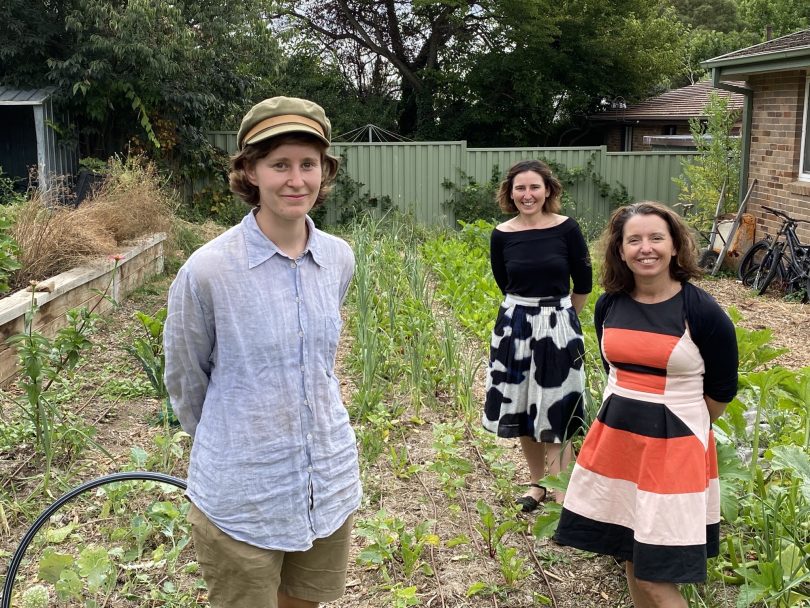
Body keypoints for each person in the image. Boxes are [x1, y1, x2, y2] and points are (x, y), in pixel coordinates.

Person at [164, 96, 360, 608]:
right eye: (279, 165)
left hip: (328, 481)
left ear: (324, 171)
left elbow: (319, 365)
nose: (296, 180)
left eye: (308, 164)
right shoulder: (208, 271)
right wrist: (235, 438)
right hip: (243, 494)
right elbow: (186, 379)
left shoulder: (338, 257)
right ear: (249, 171)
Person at [554, 201, 739, 607]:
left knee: (655, 574)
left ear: (675, 246)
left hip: (676, 448)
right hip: (619, 439)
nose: (645, 248)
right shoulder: (609, 304)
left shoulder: (701, 311)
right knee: (630, 556)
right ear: (620, 251)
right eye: (633, 240)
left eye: (656, 237)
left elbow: (722, 390)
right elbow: (614, 371)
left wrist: (679, 426)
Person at [483, 159, 592, 512]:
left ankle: (563, 492)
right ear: (510, 193)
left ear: (548, 191)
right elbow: (505, 282)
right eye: (520, 188)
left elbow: (584, 282)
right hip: (514, 325)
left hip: (559, 324)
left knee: (559, 408)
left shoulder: (567, 229)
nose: (527, 195)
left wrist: (562, 318)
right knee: (523, 409)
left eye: (534, 187)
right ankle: (537, 485)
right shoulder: (502, 234)